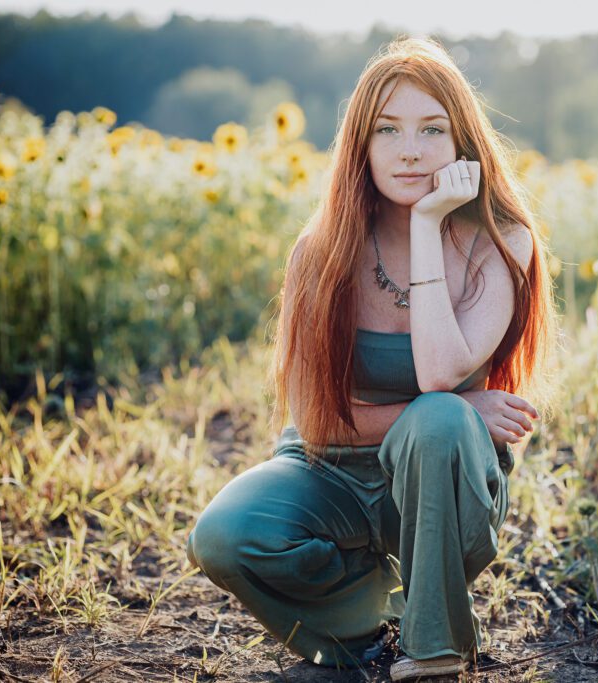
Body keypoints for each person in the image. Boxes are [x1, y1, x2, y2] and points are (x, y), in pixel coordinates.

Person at [185, 34, 560, 681]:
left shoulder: (502, 242)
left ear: (462, 141)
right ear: (360, 145)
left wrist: (425, 223)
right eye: (387, 130)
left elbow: (439, 376)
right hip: (331, 468)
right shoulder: (319, 253)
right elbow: (320, 423)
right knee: (220, 537)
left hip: (449, 481)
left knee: (438, 421)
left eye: (431, 129)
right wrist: (465, 402)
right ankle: (368, 622)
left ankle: (432, 644)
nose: (409, 149)